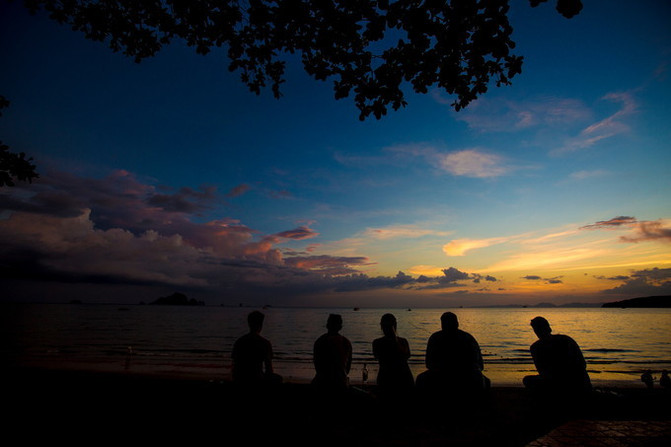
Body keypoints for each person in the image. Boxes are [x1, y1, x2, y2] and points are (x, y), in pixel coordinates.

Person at [416, 311, 488, 396]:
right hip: (444, 374)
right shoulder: (467, 337)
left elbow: (429, 363)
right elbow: (479, 363)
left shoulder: (435, 337)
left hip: (463, 373)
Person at [523, 316, 591, 395]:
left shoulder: (536, 347)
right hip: (581, 382)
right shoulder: (567, 339)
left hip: (560, 384)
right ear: (549, 328)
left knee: (527, 380)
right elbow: (582, 364)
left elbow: (543, 372)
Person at [231, 310, 282, 385]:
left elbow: (234, 365)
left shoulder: (239, 341)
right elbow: (269, 369)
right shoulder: (265, 343)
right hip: (257, 379)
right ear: (260, 325)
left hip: (240, 378)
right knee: (278, 379)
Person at [372, 313, 414, 397]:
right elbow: (406, 356)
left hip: (387, 378)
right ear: (395, 325)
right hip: (400, 378)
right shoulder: (402, 341)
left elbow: (377, 356)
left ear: (381, 326)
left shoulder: (377, 342)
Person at [312, 314, 352, 391]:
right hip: (341, 383)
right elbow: (347, 369)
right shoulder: (346, 342)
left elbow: (317, 365)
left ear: (327, 325)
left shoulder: (320, 341)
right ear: (340, 327)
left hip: (322, 382)